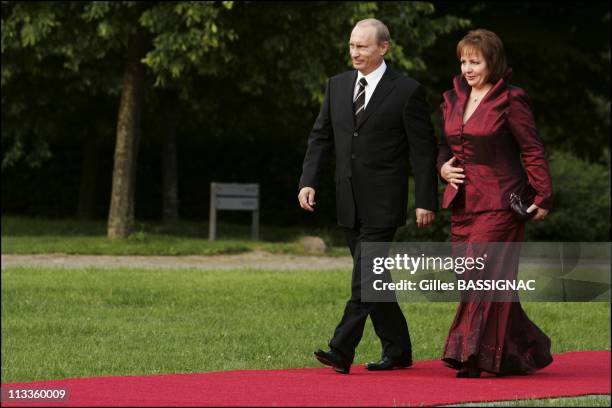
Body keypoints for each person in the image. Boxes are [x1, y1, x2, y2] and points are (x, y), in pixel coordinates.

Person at [297, 18, 438, 375]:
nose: (354, 52)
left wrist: (425, 199)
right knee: (375, 279)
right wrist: (308, 181)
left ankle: (341, 349)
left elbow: (423, 151)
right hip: (348, 199)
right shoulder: (337, 85)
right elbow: (321, 137)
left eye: (362, 46)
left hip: (383, 203)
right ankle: (399, 350)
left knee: (365, 277)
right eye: (351, 45)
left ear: (383, 48)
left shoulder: (406, 91)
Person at [437, 28, 554, 378]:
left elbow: (532, 149)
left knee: (481, 275)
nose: (468, 68)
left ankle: (470, 355)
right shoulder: (452, 97)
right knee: (476, 278)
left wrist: (543, 195)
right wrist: (442, 167)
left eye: (475, 61)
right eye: (463, 61)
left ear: (493, 62)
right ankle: (522, 351)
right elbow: (445, 145)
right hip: (463, 204)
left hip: (502, 202)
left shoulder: (510, 99)